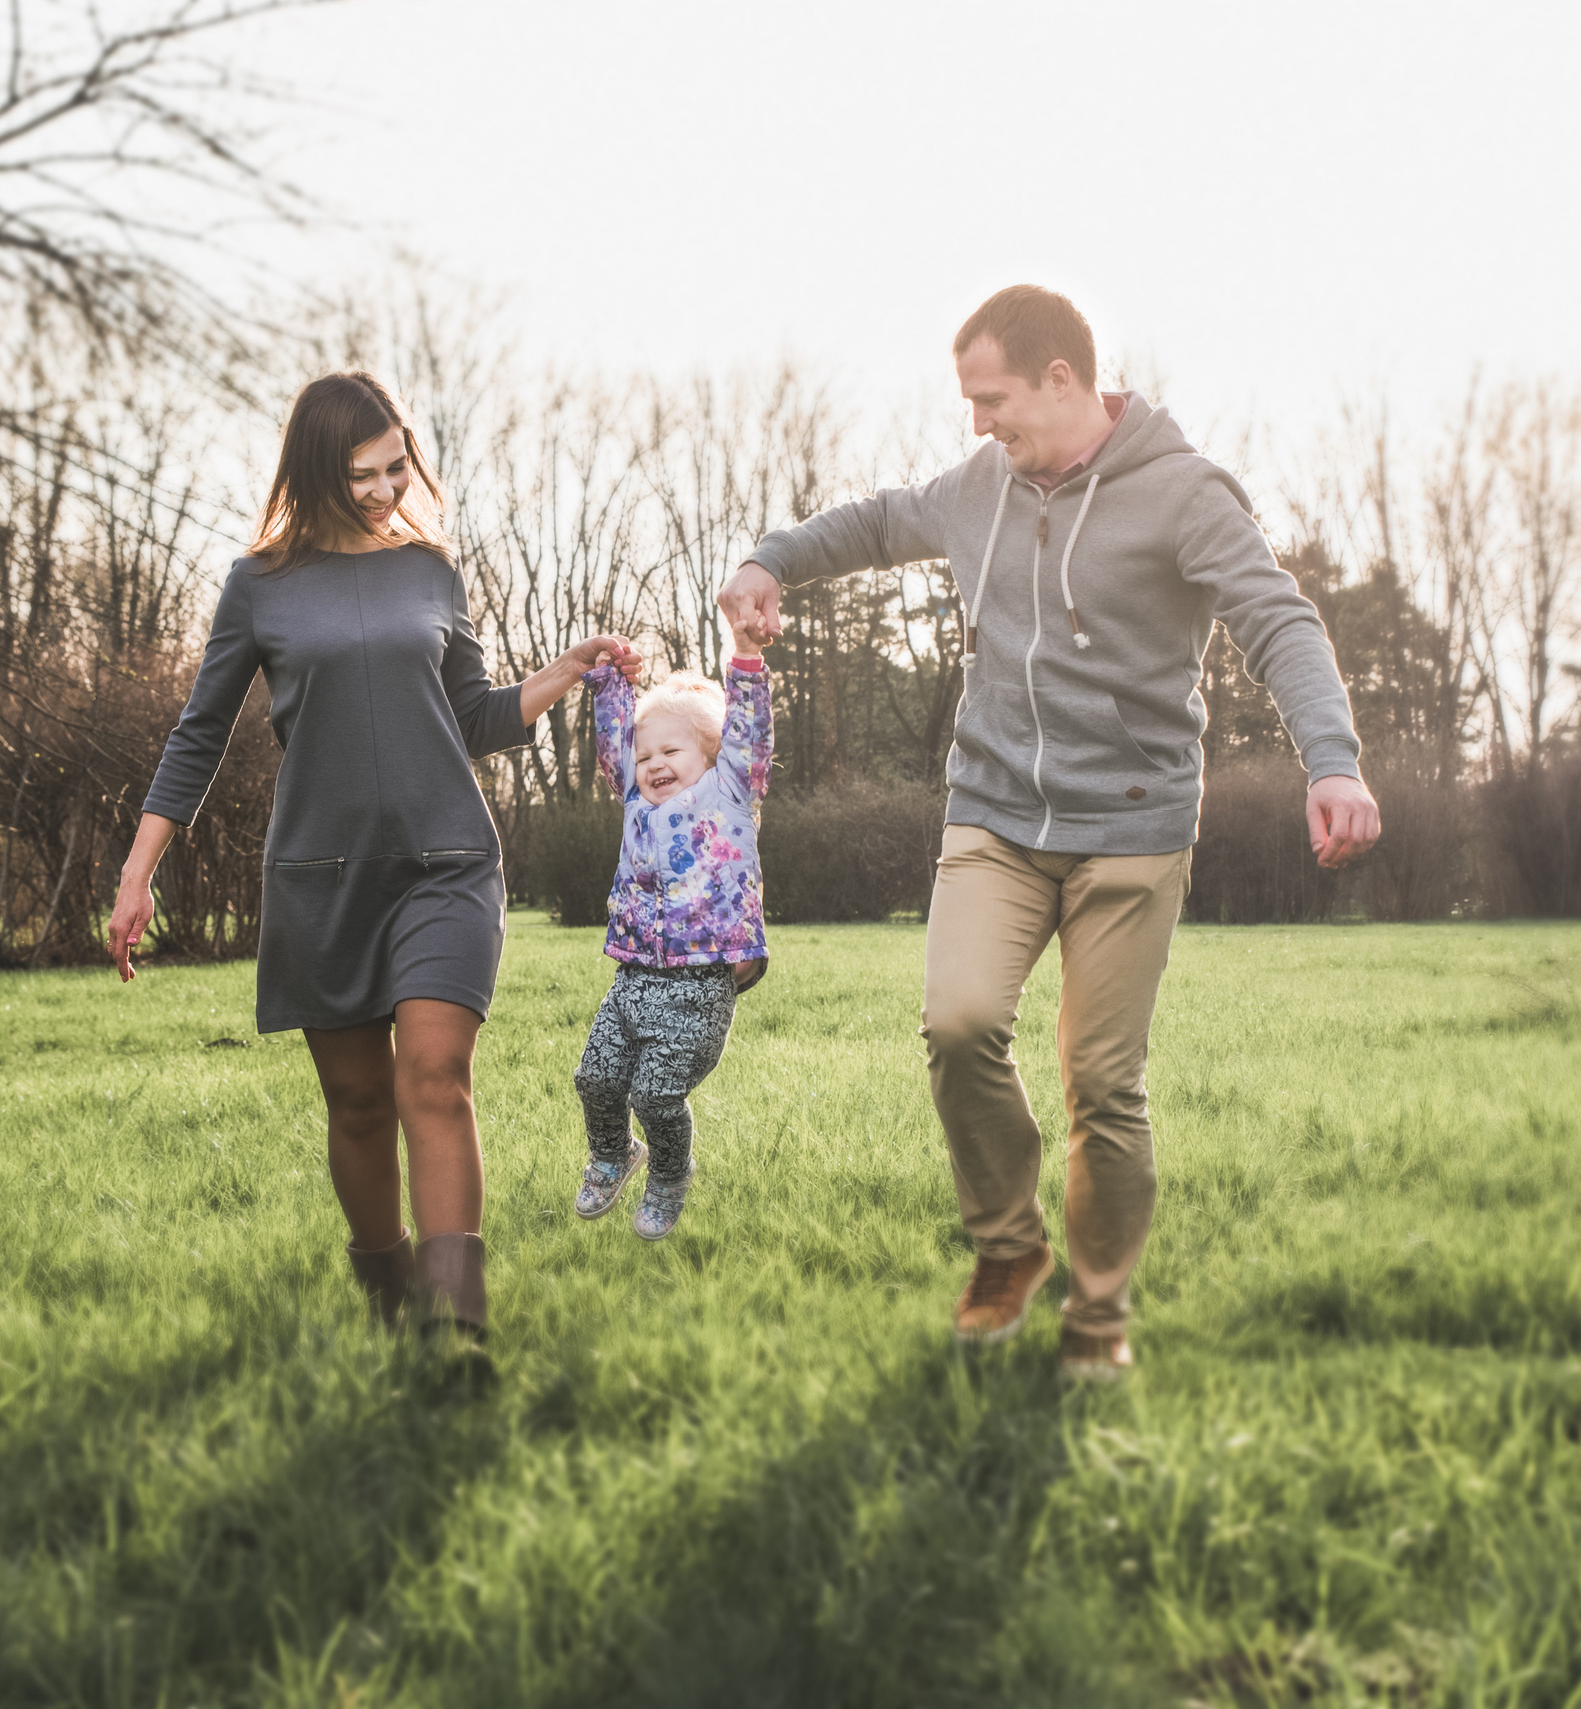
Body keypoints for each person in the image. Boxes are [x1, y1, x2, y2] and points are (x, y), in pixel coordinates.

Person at [718, 285, 1382, 1382]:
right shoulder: (979, 486)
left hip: (1130, 824)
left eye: (993, 398)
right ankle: (1008, 1246)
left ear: (1062, 379)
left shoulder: (1181, 492)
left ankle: (1098, 1312)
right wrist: (768, 559)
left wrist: (1334, 756)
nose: (979, 422)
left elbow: (1277, 618)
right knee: (959, 1020)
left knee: (1101, 1080)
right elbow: (878, 520)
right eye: (971, 402)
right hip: (995, 809)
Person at [112, 371, 637, 1350]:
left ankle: (455, 1324)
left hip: (446, 860)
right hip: (319, 874)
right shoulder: (257, 585)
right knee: (357, 1103)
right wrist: (139, 869)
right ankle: (388, 1287)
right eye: (365, 474)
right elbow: (199, 733)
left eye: (398, 464)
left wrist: (564, 670)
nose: (389, 485)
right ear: (316, 470)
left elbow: (473, 716)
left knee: (432, 1078)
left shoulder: (430, 571)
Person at [569, 618, 775, 1241]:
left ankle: (669, 1172)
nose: (654, 765)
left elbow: (751, 735)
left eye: (671, 751)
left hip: (702, 980)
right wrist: (608, 680)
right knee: (596, 1077)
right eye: (646, 754)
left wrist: (745, 659)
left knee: (656, 1094)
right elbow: (613, 744)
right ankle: (611, 1153)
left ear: (712, 752)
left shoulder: (730, 792)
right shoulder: (635, 801)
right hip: (634, 974)